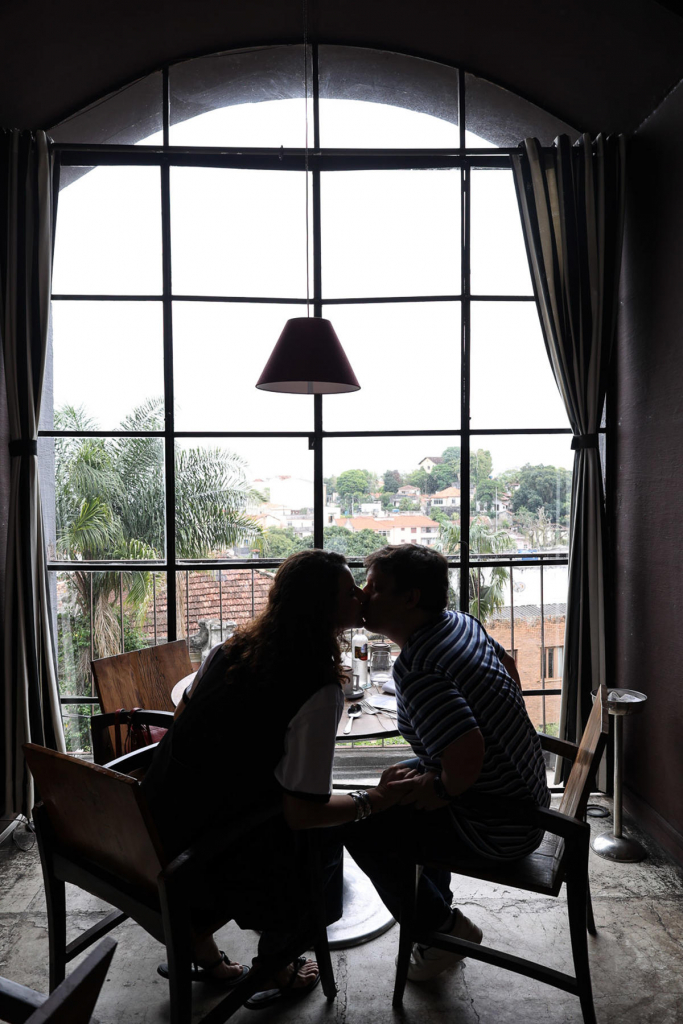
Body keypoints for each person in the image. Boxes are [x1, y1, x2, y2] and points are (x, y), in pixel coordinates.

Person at [141, 548, 409, 1009]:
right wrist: (375, 800)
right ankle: (278, 962)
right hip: (203, 859)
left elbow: (187, 726)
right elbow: (303, 811)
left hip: (155, 825)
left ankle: (206, 957)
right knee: (322, 838)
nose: (362, 594)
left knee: (262, 804)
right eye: (351, 591)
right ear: (324, 609)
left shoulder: (229, 650)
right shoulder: (318, 687)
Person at [342, 543, 551, 982]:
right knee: (400, 786)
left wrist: (439, 787)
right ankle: (436, 913)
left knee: (360, 823)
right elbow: (509, 670)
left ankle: (443, 930)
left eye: (375, 587)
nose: (364, 595)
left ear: (410, 598)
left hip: (501, 826)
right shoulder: (459, 623)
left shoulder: (419, 668)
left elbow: (468, 751)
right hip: (528, 795)